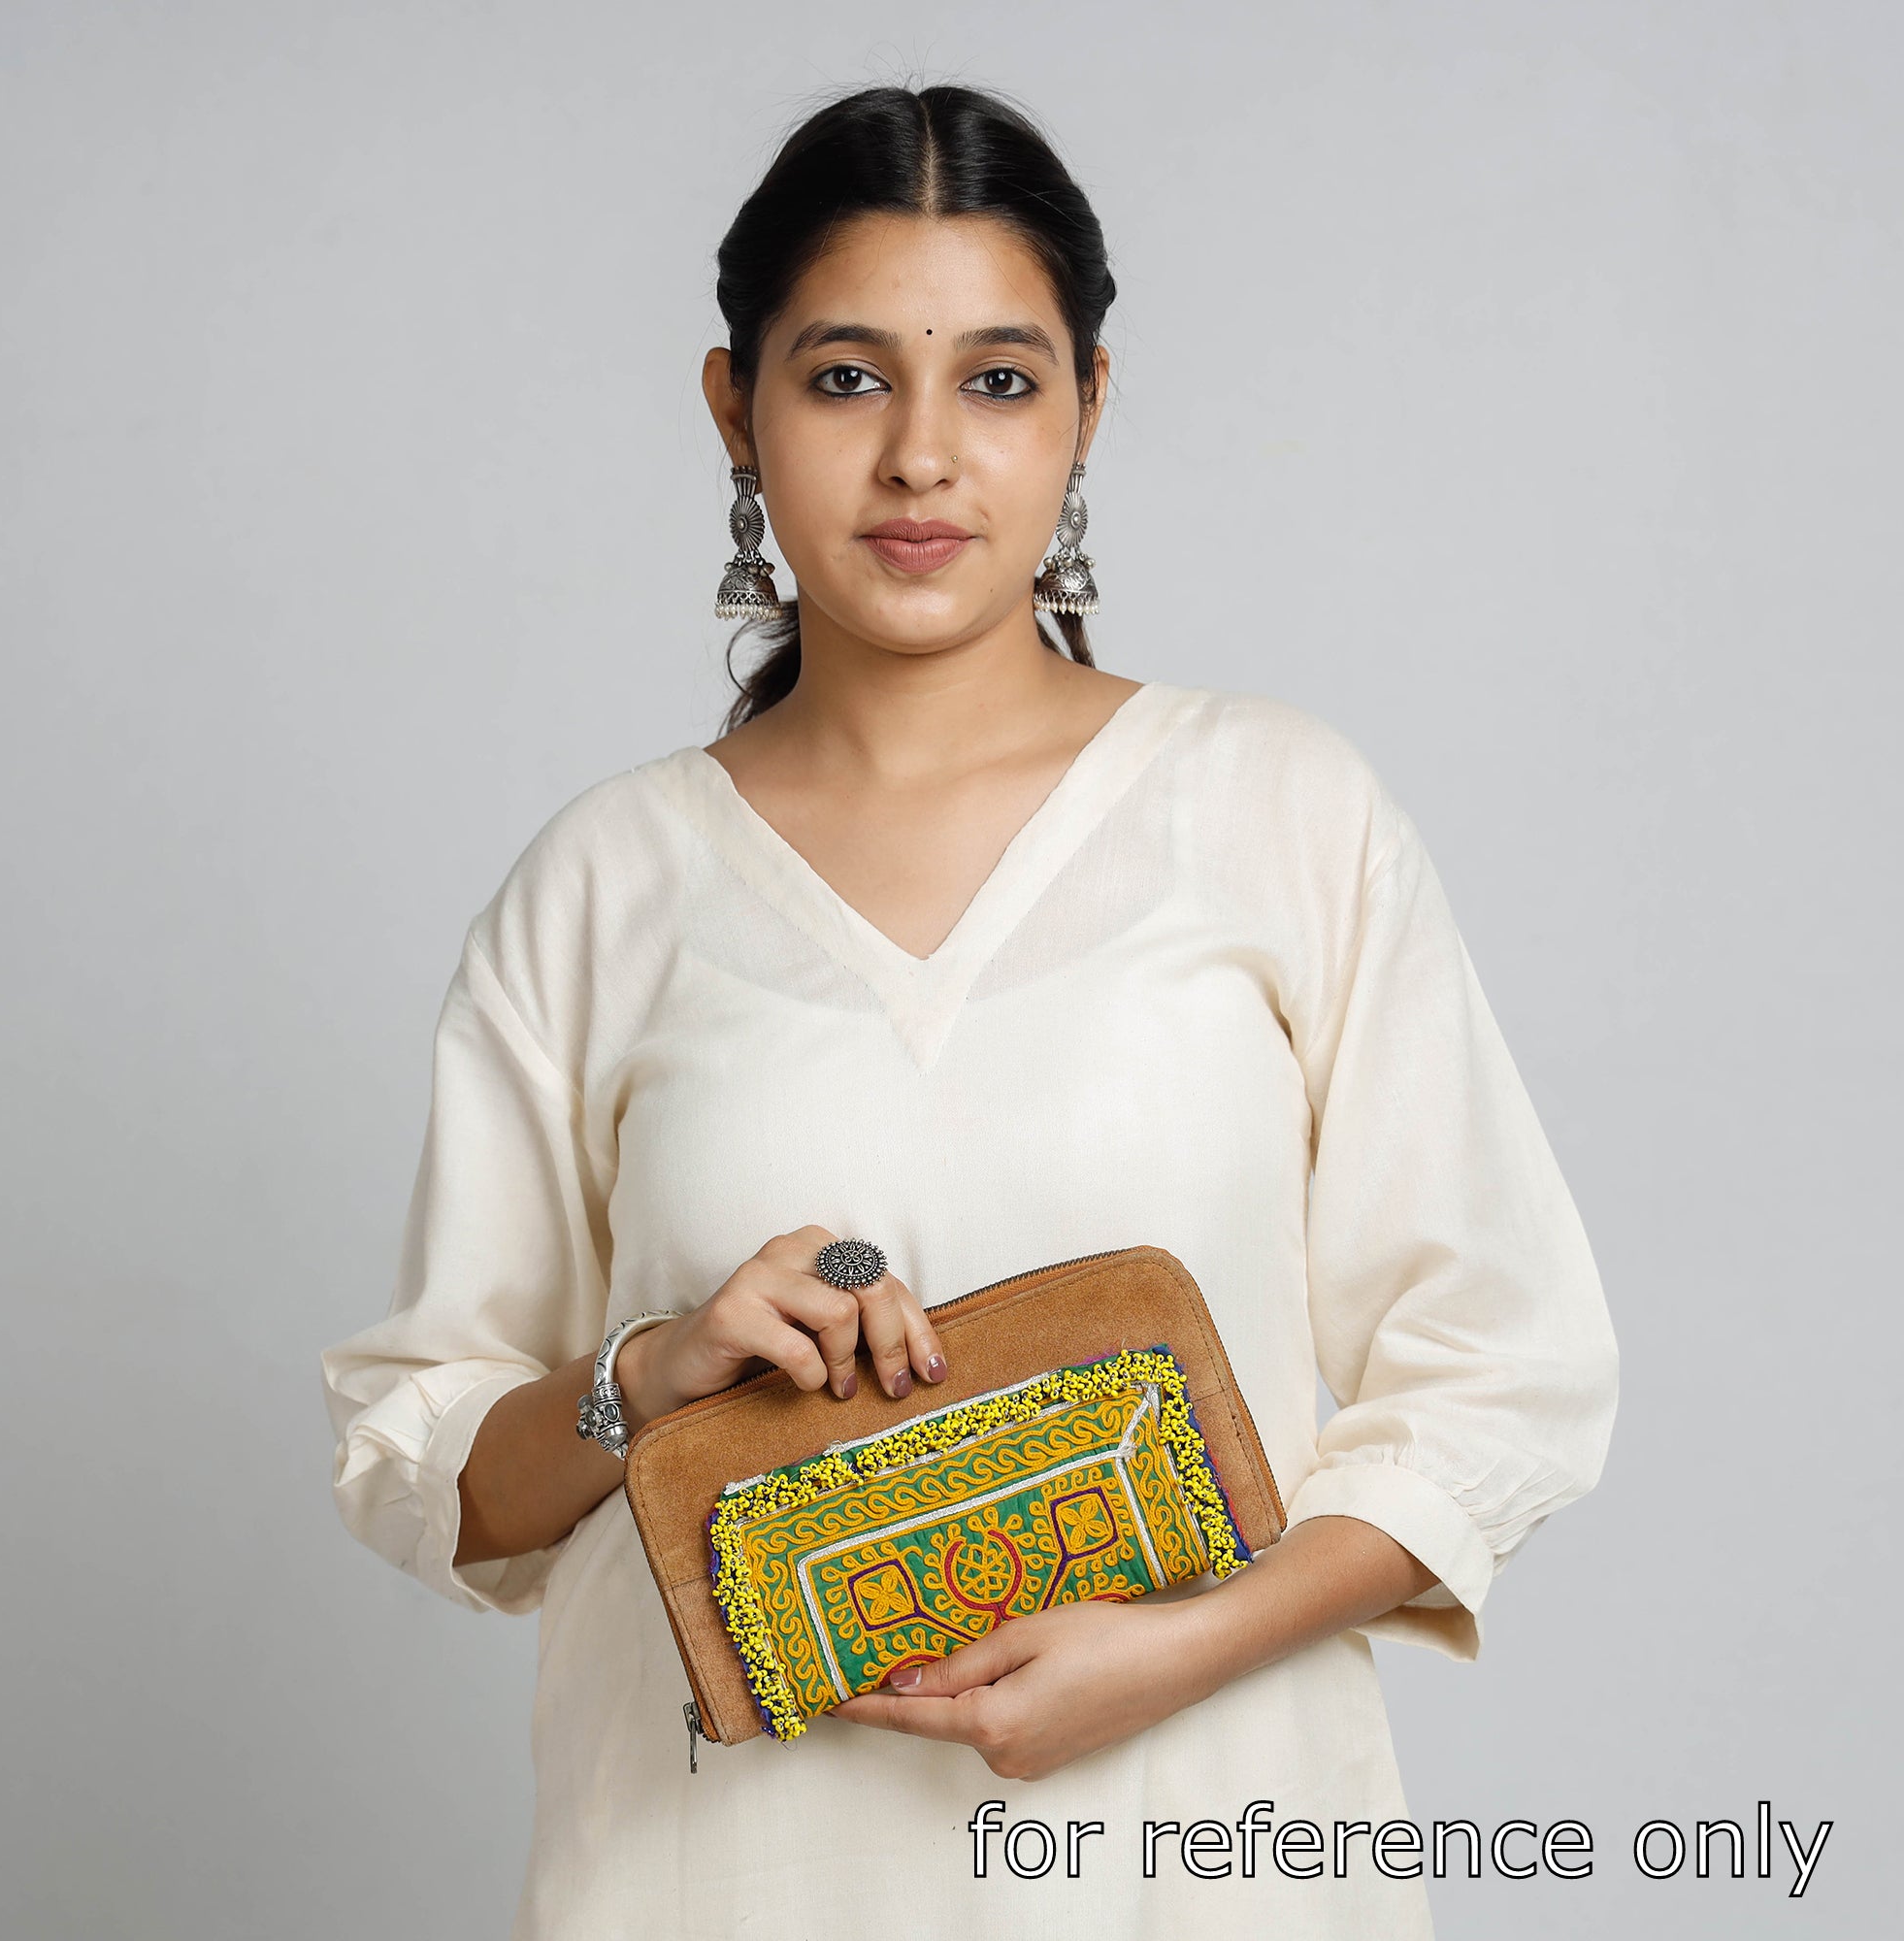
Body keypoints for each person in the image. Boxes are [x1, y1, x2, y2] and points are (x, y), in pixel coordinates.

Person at [319, 81, 1620, 1940]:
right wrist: (649, 1375)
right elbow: (425, 1472)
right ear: (736, 410)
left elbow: (1504, 1370)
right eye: (848, 377)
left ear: (1090, 405)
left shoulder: (1276, 814)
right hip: (720, 1885)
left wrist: (1181, 1652)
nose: (922, 455)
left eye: (999, 381)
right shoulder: (604, 887)